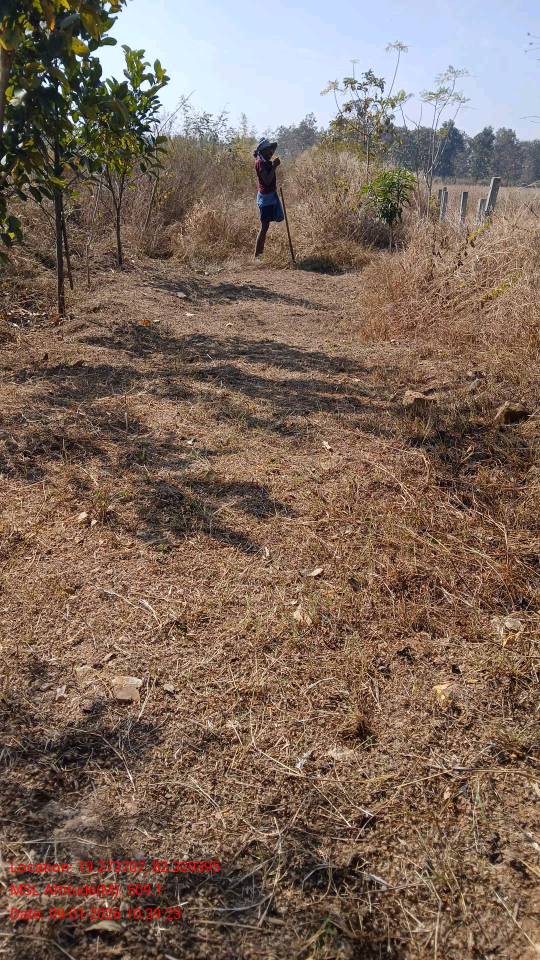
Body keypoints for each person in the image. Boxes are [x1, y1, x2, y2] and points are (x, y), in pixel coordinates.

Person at [253, 137, 284, 259]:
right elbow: (267, 181)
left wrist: (272, 163)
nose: (271, 152)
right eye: (268, 150)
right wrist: (274, 166)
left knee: (265, 227)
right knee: (264, 227)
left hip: (268, 197)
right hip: (265, 199)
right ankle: (257, 257)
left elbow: (274, 146)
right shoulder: (260, 163)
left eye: (271, 150)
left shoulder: (265, 161)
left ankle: (258, 256)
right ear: (263, 151)